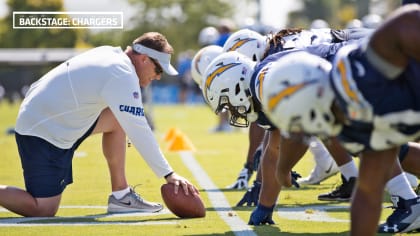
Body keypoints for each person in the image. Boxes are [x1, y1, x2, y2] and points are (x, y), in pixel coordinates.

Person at [260, 4, 420, 235]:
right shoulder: (357, 126)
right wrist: (282, 170)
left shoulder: (368, 66)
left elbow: (409, 18)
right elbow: (367, 194)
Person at [0, 32, 198, 217]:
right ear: (144, 58)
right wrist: (168, 174)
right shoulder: (121, 72)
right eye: (158, 69)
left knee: (119, 119)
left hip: (56, 119)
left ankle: (121, 197)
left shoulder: (111, 54)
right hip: (43, 131)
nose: (158, 76)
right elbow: (140, 130)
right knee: (43, 209)